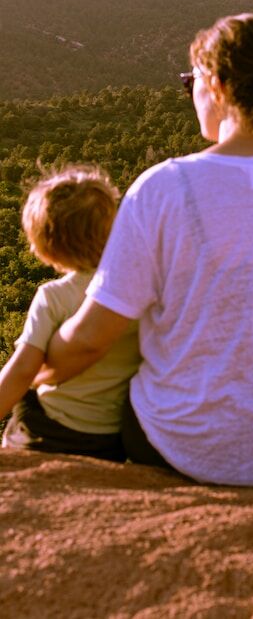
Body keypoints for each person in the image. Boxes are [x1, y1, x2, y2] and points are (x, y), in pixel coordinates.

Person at [42, 14, 253, 487]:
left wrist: (36, 367)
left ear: (219, 86)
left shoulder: (164, 186)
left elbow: (92, 337)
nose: (190, 95)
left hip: (187, 445)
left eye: (191, 82)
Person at [0, 166, 140, 461]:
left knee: (26, 398)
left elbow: (22, 371)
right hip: (110, 437)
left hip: (51, 429)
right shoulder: (140, 290)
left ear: (44, 248)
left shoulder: (53, 297)